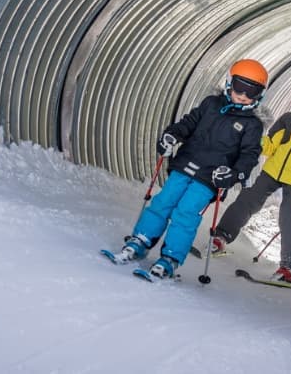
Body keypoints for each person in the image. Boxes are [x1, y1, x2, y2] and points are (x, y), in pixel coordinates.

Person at [112, 59, 268, 279]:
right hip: (185, 164)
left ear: (260, 95)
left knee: (185, 212)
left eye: (251, 91)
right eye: (239, 87)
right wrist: (172, 135)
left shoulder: (252, 125)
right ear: (229, 83)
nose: (243, 95)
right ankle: (140, 240)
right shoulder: (211, 104)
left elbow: (249, 156)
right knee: (162, 202)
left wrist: (233, 175)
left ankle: (170, 259)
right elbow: (188, 123)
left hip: (209, 178)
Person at [211, 80, 291, 284]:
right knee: (248, 199)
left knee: (288, 217)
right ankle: (221, 236)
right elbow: (270, 146)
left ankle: (290, 267)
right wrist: (255, 136)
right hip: (272, 172)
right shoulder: (289, 119)